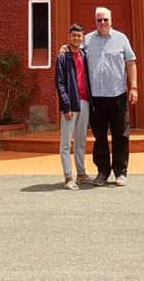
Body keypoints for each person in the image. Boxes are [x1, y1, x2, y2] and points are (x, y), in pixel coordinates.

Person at [85, 6, 137, 187]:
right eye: (99, 20)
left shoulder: (121, 39)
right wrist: (64, 49)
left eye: (105, 19)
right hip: (96, 98)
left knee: (121, 135)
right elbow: (76, 54)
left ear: (111, 20)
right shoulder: (88, 40)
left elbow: (131, 63)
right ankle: (102, 172)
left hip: (118, 95)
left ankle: (121, 172)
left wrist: (134, 87)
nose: (102, 23)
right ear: (95, 21)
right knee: (100, 137)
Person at [54, 22, 91, 190]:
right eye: (74, 35)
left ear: (82, 37)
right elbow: (60, 83)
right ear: (69, 37)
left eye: (79, 35)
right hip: (70, 103)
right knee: (65, 143)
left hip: (84, 101)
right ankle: (68, 177)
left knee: (81, 141)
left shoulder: (85, 55)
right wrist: (65, 106)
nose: (77, 38)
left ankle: (81, 174)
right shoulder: (62, 57)